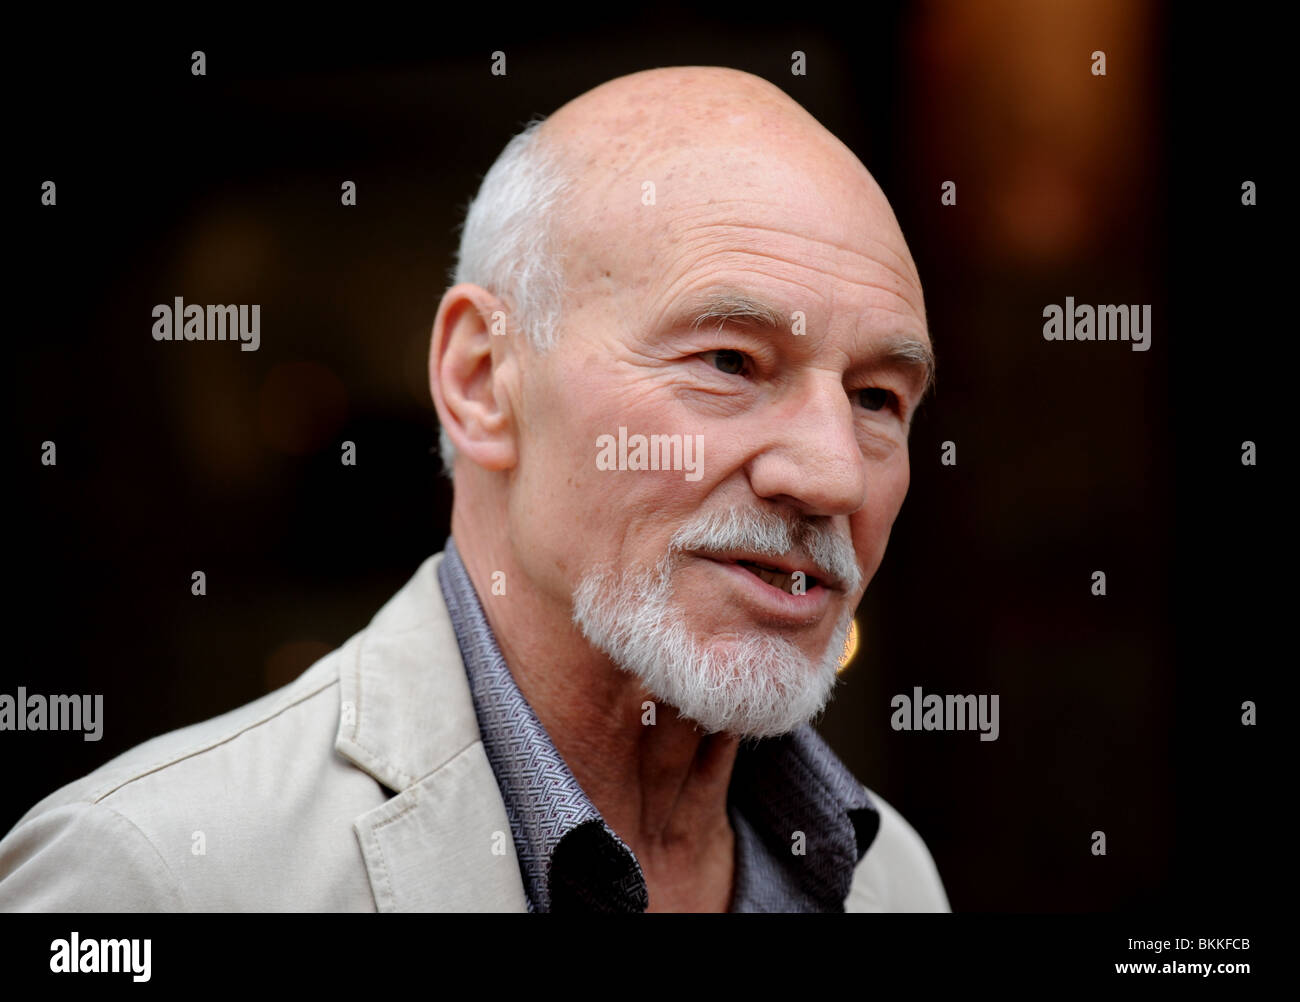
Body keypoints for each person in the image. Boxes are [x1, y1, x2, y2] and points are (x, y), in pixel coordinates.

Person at [0, 66, 947, 912]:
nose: (832, 472)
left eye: (876, 397)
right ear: (483, 381)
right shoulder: (157, 876)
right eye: (731, 361)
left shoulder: (890, 879)